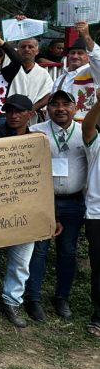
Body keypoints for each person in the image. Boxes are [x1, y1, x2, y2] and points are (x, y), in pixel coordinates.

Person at [0, 95, 52, 327]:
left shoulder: (38, 140)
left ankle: (12, 300)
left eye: (19, 112)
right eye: (9, 111)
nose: (13, 116)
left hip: (25, 208)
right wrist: (28, 140)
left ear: (29, 114)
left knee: (21, 260)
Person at [27, 91, 87, 321]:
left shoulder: (85, 133)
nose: (60, 108)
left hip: (74, 201)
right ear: (47, 109)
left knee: (68, 252)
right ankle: (33, 297)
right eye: (55, 105)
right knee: (39, 250)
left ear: (75, 108)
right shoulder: (37, 132)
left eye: (66, 104)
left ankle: (62, 297)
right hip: (43, 201)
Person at [78, 95, 100, 338]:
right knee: (99, 268)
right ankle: (99, 316)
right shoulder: (96, 143)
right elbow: (87, 127)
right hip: (97, 214)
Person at [50, 22, 100, 122]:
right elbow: (52, 105)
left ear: (88, 56)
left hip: (87, 127)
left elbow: (97, 57)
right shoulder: (60, 79)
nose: (75, 56)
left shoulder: (94, 73)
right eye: (72, 53)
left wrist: (86, 36)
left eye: (80, 53)